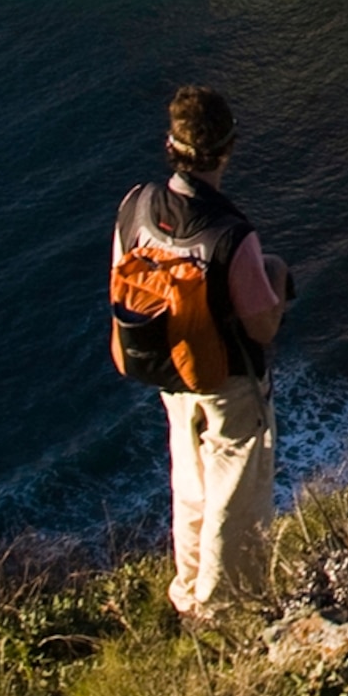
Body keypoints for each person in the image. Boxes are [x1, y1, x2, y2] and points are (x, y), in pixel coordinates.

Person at [112, 85, 292, 620]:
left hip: (172, 376)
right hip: (229, 386)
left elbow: (122, 284)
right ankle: (226, 610)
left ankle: (187, 592)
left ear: (171, 143)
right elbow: (261, 328)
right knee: (234, 500)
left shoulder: (136, 205)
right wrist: (277, 278)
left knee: (189, 487)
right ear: (228, 148)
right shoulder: (232, 235)